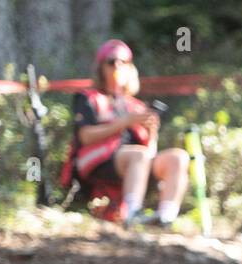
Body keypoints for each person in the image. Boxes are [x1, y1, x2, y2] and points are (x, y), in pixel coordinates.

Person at [67, 39, 189, 226]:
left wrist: (151, 131)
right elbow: (84, 136)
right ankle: (132, 214)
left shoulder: (136, 106)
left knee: (178, 157)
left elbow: (150, 149)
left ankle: (166, 217)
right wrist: (124, 123)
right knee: (138, 155)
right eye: (111, 61)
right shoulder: (89, 98)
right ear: (101, 67)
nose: (117, 66)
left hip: (136, 162)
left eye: (122, 62)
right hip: (98, 160)